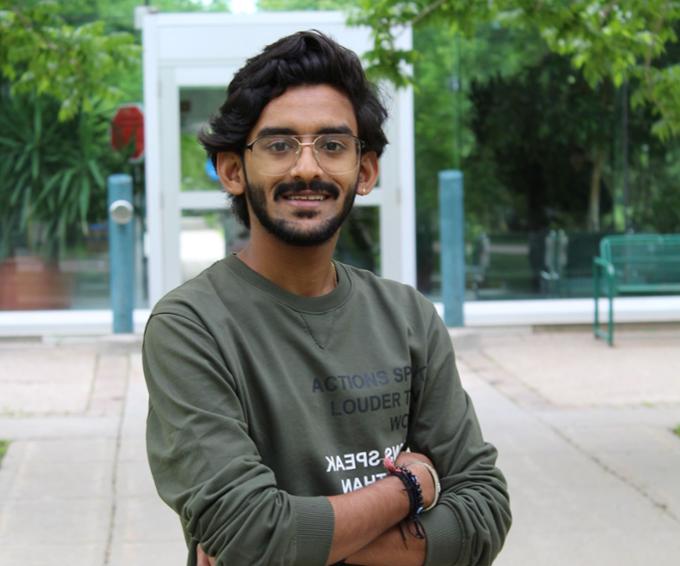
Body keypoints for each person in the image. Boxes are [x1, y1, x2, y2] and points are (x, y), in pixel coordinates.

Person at [142, 30, 511, 566]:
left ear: (364, 171)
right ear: (232, 169)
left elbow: (485, 514)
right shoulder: (190, 326)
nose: (307, 168)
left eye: (333, 145)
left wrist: (301, 543)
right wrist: (411, 487)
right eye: (279, 144)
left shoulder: (409, 317)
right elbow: (252, 534)